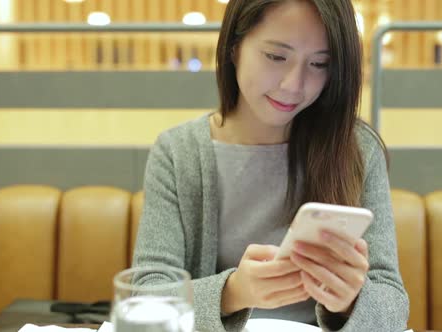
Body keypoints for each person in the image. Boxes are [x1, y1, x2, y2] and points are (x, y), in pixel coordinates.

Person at [133, 0, 409, 331]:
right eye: (276, 57)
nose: (294, 84)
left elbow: (392, 301)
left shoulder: (356, 149)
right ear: (234, 48)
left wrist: (349, 302)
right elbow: (147, 294)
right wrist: (233, 292)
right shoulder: (179, 151)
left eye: (319, 64)